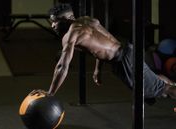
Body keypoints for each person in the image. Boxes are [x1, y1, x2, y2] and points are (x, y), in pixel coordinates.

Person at [31, 3, 176, 101]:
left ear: (66, 18)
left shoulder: (71, 35)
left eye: (54, 21)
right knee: (155, 81)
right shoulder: (89, 20)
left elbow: (63, 66)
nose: (52, 25)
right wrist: (97, 70)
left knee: (158, 90)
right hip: (126, 52)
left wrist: (50, 93)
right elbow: (102, 44)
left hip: (124, 60)